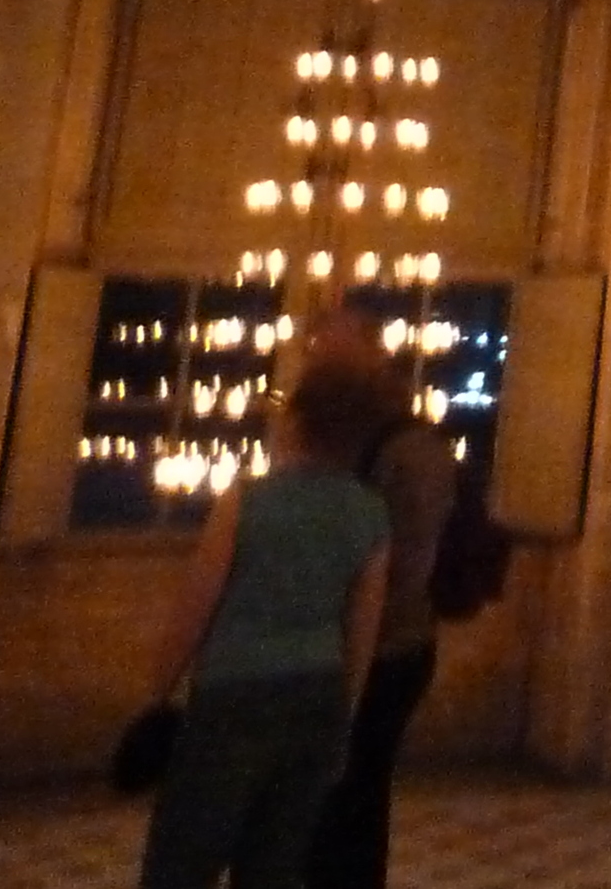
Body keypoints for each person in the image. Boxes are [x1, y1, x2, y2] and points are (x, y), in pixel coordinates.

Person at [136, 349, 403, 889]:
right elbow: (361, 630)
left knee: (184, 856)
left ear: (299, 421)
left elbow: (198, 602)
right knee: (275, 863)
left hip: (233, 693)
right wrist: (342, 720)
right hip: (316, 694)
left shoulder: (249, 500)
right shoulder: (370, 512)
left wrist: (157, 694)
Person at [302, 294, 462, 889]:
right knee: (332, 795)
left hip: (387, 649)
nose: (314, 353)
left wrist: (354, 638)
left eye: (329, 342)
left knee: (353, 795)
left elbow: (410, 565)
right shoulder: (353, 440)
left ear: (370, 352)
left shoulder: (411, 447)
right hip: (348, 641)